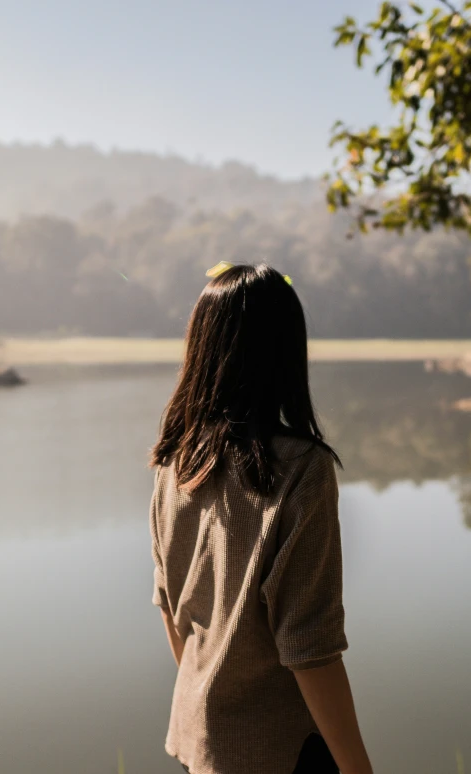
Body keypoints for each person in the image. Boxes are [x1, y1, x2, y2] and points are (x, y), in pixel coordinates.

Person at [148, 262, 373, 774]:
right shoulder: (301, 470)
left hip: (196, 740)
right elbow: (309, 647)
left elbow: (168, 604)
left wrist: (212, 701)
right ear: (286, 351)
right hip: (279, 752)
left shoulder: (173, 463)